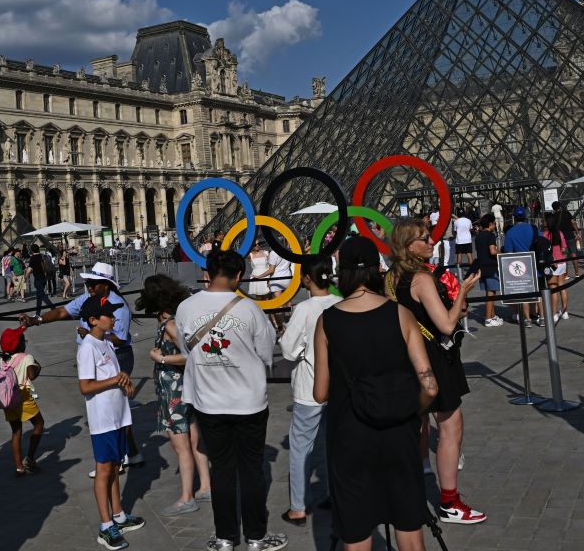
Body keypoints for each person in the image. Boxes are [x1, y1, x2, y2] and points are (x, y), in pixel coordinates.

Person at [312, 235, 440, 551]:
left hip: (350, 434)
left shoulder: (328, 320)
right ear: (376, 270)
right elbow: (430, 385)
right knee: (410, 529)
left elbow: (320, 393)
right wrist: (415, 410)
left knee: (356, 533)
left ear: (341, 272)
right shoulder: (400, 314)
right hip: (399, 431)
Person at [175, 249, 287, 551]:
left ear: (207, 274)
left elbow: (187, 352)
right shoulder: (250, 309)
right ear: (239, 276)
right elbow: (266, 354)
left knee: (222, 470)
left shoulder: (186, 307)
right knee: (252, 471)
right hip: (249, 402)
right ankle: (256, 537)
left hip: (208, 404)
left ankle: (224, 538)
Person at [386, 218, 486, 525]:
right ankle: (449, 502)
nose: (432, 242)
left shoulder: (390, 278)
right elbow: (444, 324)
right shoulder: (422, 279)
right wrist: (462, 292)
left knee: (418, 427)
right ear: (408, 246)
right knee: (450, 428)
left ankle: (411, 491)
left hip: (408, 358)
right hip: (435, 360)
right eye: (425, 239)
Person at [34, 261, 143, 467]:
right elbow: (61, 312)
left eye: (93, 283)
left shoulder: (117, 306)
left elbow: (119, 338)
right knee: (111, 406)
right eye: (88, 284)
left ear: (106, 284)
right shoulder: (88, 299)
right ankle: (126, 453)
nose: (89, 287)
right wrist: (37, 320)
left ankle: (113, 459)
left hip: (117, 355)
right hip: (96, 353)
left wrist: (94, 335)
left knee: (115, 406)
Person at [136, 274, 212, 516]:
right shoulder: (172, 322)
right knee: (193, 439)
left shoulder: (169, 325)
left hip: (175, 394)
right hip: (180, 390)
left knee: (180, 445)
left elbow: (190, 355)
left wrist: (162, 358)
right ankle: (206, 486)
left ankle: (187, 497)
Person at [77, 296, 145, 550]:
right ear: (94, 320)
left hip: (118, 414)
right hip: (103, 418)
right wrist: (115, 380)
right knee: (104, 469)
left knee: (115, 466)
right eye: (108, 315)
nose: (114, 318)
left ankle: (118, 514)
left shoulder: (105, 342)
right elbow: (85, 386)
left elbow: (115, 376)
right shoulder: (88, 347)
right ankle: (105, 526)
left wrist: (125, 383)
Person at [278, 260, 339, 526]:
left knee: (301, 448)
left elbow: (289, 350)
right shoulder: (340, 301)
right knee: (333, 444)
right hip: (339, 385)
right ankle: (334, 495)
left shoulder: (304, 309)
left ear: (306, 279)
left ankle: (298, 507)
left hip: (310, 385)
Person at [0, 327, 45, 474]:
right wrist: (37, 366)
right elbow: (31, 374)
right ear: (19, 345)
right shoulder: (26, 357)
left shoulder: (2, 360)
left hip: (8, 398)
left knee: (16, 431)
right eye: (23, 340)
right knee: (39, 423)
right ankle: (30, 459)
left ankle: (18, 467)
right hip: (23, 396)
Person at [501, 207, 538, 326]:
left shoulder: (510, 232)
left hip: (520, 265)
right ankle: (536, 314)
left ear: (514, 217)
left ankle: (527, 319)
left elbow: (508, 252)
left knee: (524, 291)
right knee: (535, 290)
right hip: (535, 262)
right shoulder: (533, 228)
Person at [474, 214, 502, 327]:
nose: (495, 225)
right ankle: (488, 318)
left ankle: (493, 315)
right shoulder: (490, 235)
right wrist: (503, 254)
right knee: (490, 294)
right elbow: (492, 251)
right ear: (490, 224)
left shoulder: (478, 236)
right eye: (494, 223)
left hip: (482, 266)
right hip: (491, 266)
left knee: (490, 293)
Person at [543, 212, 569, 321]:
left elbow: (544, 250)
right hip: (562, 262)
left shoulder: (545, 234)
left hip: (552, 264)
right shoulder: (559, 233)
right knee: (562, 287)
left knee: (553, 289)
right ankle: (564, 311)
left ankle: (554, 314)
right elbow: (564, 249)